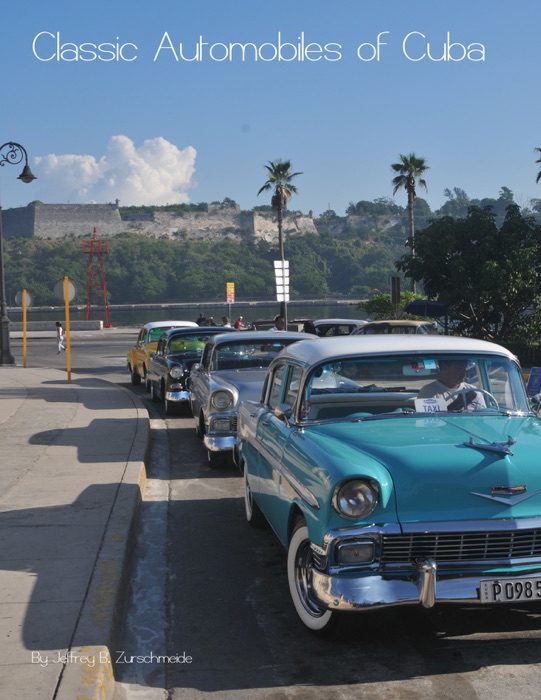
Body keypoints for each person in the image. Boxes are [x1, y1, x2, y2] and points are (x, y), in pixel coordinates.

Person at [417, 359, 485, 411]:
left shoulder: (473, 392)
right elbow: (429, 423)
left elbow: (483, 419)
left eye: (464, 368)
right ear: (444, 368)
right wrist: (458, 403)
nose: (464, 372)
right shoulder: (428, 393)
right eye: (459, 368)